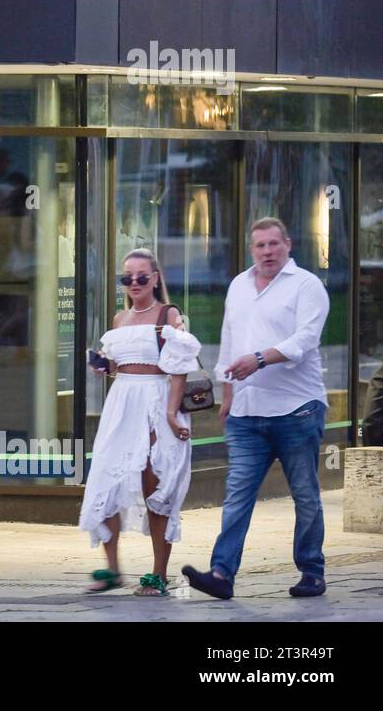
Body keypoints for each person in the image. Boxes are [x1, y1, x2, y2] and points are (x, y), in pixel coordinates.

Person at [183, 217, 331, 600]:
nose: (267, 252)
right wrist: (228, 395)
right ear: (252, 249)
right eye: (260, 246)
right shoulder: (239, 285)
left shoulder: (306, 286)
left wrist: (260, 359)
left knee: (305, 494)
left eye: (273, 244)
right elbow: (230, 340)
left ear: (288, 244)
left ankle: (312, 571)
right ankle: (221, 573)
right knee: (237, 495)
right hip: (247, 413)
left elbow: (305, 340)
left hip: (297, 409)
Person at [79, 248, 201, 596]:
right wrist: (105, 365)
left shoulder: (168, 314)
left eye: (142, 277)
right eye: (127, 277)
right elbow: (119, 365)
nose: (134, 283)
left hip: (156, 400)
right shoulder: (120, 320)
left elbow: (179, 366)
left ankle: (158, 574)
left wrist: (170, 413)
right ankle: (113, 568)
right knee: (106, 479)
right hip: (122, 403)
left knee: (154, 485)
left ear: (155, 278)